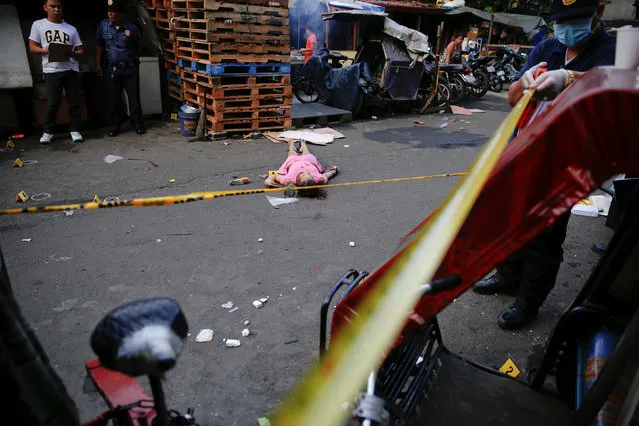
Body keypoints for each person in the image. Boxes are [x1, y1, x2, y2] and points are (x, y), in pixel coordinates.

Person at [473, 0, 616, 330]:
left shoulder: (613, 51)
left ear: (599, 11)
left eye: (575, 19)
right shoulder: (546, 47)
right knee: (507, 222)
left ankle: (528, 301)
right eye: (560, 21)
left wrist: (568, 77)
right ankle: (507, 277)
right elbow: (511, 98)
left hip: (564, 163)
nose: (566, 28)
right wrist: (524, 84)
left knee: (544, 235)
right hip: (521, 152)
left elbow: (615, 91)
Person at [29, 0, 85, 144]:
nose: (56, 9)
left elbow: (80, 49)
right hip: (51, 69)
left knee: (74, 101)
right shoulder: (38, 25)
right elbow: (32, 47)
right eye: (52, 6)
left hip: (71, 68)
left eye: (59, 7)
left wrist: (72, 53)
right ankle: (48, 131)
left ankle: (75, 129)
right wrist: (47, 51)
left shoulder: (70, 28)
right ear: (45, 7)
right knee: (52, 102)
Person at [96, 0, 145, 137]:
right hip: (113, 68)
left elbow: (139, 46)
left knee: (134, 98)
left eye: (113, 11)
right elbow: (99, 45)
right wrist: (98, 64)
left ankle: (137, 124)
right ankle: (114, 126)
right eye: (108, 11)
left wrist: (134, 59)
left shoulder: (132, 28)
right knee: (114, 99)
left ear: (121, 13)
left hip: (130, 68)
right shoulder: (103, 26)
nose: (110, 14)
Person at [264, 140, 338, 188]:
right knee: (306, 151)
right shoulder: (320, 180)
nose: (306, 172)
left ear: (299, 182)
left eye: (303, 175)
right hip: (309, 161)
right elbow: (328, 175)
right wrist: (334, 170)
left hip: (293, 161)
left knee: (291, 153)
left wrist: (268, 180)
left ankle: (291, 143)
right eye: (310, 175)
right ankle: (303, 144)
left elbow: (275, 176)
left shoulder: (289, 180)